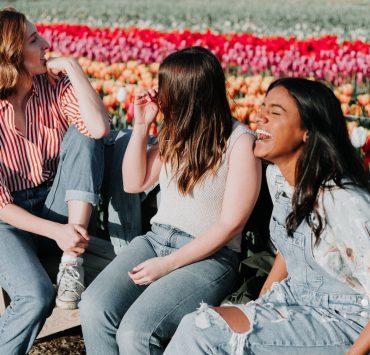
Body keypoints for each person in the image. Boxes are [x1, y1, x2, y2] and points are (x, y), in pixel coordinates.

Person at [165, 77, 370, 355]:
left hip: (346, 321)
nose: (259, 117)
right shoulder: (277, 178)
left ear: (307, 132)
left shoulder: (344, 201)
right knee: (199, 324)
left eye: (274, 113)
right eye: (262, 108)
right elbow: (292, 248)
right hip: (294, 301)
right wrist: (261, 304)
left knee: (202, 332)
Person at [79, 46, 261, 355]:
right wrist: (140, 126)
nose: (159, 95)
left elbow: (232, 224)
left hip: (209, 256)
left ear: (189, 95)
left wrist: (167, 265)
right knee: (94, 308)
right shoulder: (175, 132)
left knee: (137, 332)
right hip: (155, 240)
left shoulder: (240, 141)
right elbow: (133, 182)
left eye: (166, 88)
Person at [0, 8, 111, 354]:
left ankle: (72, 260)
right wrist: (57, 234)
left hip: (55, 204)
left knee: (83, 135)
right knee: (35, 296)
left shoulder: (54, 86)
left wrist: (74, 69)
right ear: (11, 55)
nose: (47, 44)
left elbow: (98, 129)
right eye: (34, 40)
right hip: (9, 221)